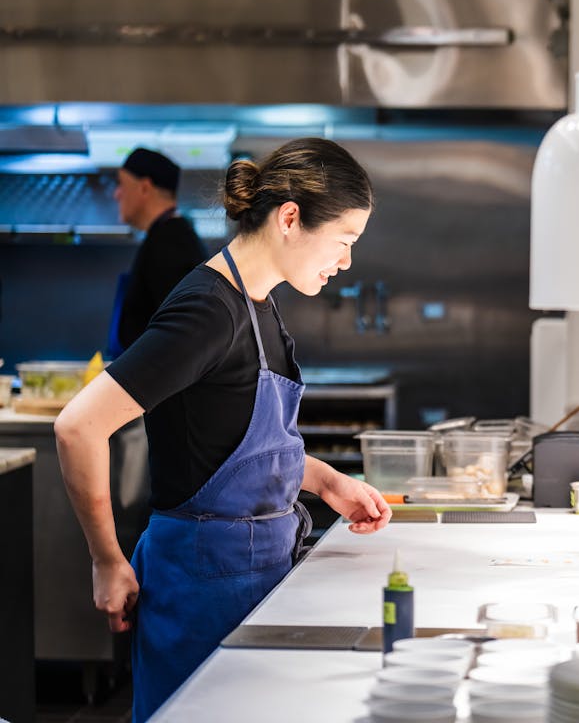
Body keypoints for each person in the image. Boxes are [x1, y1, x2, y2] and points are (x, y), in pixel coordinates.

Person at [55, 137, 393, 721]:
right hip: (203, 583)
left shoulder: (258, 301)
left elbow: (233, 446)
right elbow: (78, 427)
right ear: (290, 218)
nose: (345, 260)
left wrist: (324, 479)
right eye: (345, 240)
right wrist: (107, 560)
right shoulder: (208, 309)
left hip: (254, 571)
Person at [110, 147, 209, 354]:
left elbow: (180, 336)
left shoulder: (171, 242)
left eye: (121, 184)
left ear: (145, 188)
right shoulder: (168, 235)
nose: (116, 194)